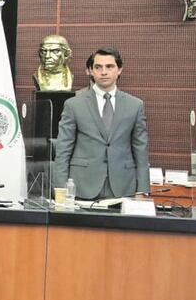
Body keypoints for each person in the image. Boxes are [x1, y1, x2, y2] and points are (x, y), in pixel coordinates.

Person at [53, 47, 149, 199]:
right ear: (90, 71)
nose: (103, 72)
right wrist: (60, 190)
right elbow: (63, 149)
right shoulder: (73, 105)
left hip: (123, 188)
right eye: (98, 67)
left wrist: (142, 190)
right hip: (82, 187)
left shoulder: (135, 105)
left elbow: (141, 150)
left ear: (119, 70)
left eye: (109, 67)